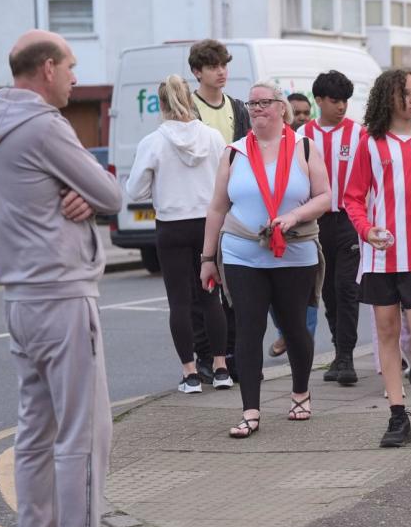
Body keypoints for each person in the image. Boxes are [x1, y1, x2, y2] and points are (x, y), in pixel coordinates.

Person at [0, 28, 145, 527]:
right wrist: (87, 194)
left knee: (35, 430)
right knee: (85, 430)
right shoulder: (45, 126)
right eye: (70, 66)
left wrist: (77, 193)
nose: (75, 77)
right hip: (63, 293)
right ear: (46, 68)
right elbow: (111, 194)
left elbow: (81, 192)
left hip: (21, 299)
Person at [198, 81, 331, 439]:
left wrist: (294, 216)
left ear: (282, 108)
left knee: (294, 327)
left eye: (265, 103)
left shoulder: (304, 147)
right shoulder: (233, 152)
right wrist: (207, 257)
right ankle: (250, 411)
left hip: (294, 251)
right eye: (252, 104)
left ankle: (301, 393)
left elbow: (325, 198)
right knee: (248, 328)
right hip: (242, 251)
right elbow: (216, 207)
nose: (257, 109)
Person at [343, 68, 411, 447]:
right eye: (405, 92)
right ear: (388, 97)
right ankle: (397, 415)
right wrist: (366, 229)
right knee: (386, 333)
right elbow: (352, 197)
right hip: (379, 256)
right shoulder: (369, 143)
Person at [125, 74, 232, 394]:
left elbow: (135, 190)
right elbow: (224, 182)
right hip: (207, 224)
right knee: (211, 298)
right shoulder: (213, 137)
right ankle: (221, 368)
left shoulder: (152, 142)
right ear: (190, 99)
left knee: (180, 303)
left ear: (161, 104)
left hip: (171, 226)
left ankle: (190, 375)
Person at [295, 70, 364, 386]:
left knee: (347, 287)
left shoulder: (359, 134)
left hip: (349, 220)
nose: (341, 107)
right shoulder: (302, 136)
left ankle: (347, 356)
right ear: (319, 100)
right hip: (316, 221)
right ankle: (339, 352)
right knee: (327, 291)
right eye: (335, 100)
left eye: (345, 101)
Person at [189, 39, 249, 383]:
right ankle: (206, 357)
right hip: (201, 209)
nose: (221, 71)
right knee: (203, 288)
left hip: (235, 209)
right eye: (213, 66)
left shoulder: (237, 108)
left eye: (224, 65)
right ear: (197, 72)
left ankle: (233, 356)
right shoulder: (190, 109)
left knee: (236, 287)